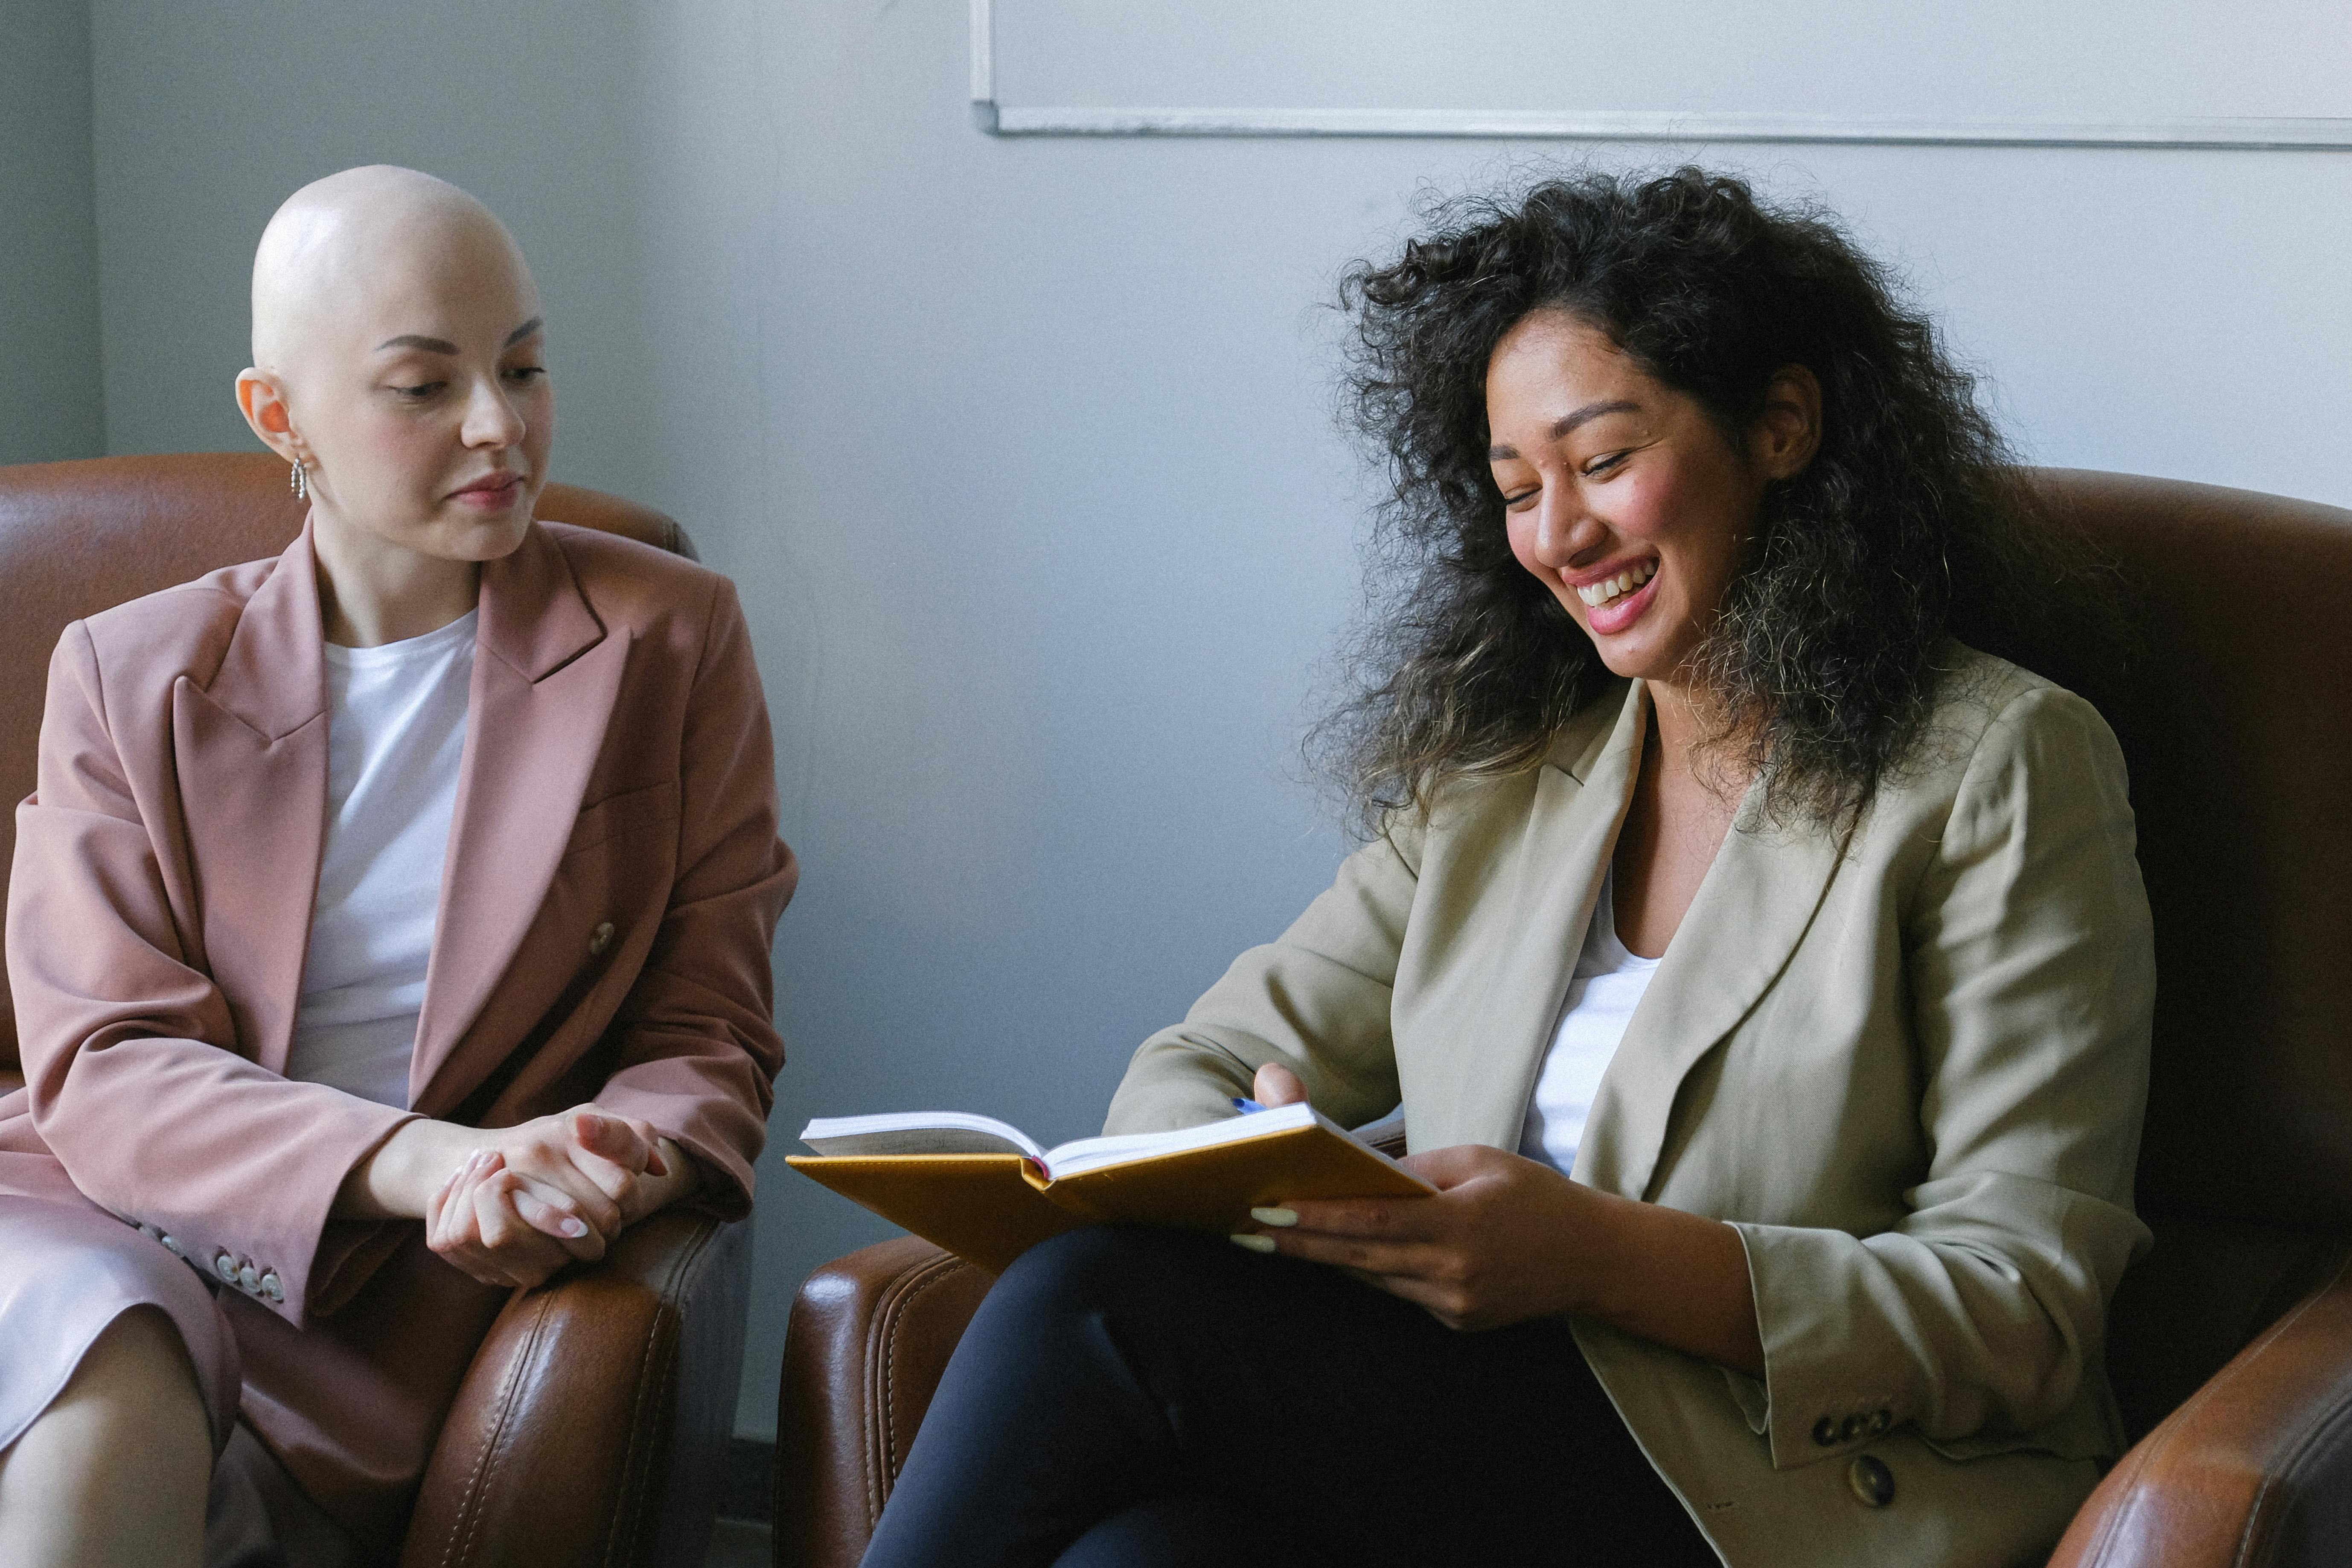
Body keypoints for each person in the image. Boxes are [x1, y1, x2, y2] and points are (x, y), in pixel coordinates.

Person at [860, 168, 2154, 1568]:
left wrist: (1597, 1255)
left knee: (1090, 1303)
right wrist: (1237, 1161)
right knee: (1146, 1556)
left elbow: (2021, 1304)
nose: (1558, 536)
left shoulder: (2002, 764)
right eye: (1517, 488)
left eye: (1602, 463)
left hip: (1780, 1489)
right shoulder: (1503, 782)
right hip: (1491, 1441)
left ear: (1783, 425)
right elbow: (1207, 1054)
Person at [0, 166, 794, 1567]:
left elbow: (709, 1034)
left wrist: (591, 1162)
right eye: (423, 387)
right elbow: (108, 1060)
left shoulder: (672, 639)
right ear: (279, 416)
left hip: (386, 1308)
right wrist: (427, 1160)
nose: (501, 424)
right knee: (103, 1345)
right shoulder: (126, 672)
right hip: (92, 1205)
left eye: (525, 366)